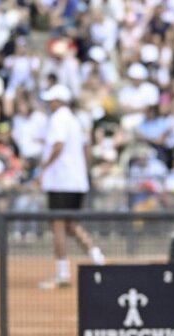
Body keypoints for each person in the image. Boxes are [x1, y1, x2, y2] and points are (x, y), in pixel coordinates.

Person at [35, 84, 104, 289]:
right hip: (75, 180)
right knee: (70, 223)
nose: (49, 103)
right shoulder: (75, 120)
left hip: (61, 180)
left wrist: (43, 170)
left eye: (51, 100)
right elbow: (84, 149)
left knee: (58, 224)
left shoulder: (58, 119)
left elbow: (58, 145)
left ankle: (62, 272)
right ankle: (96, 255)